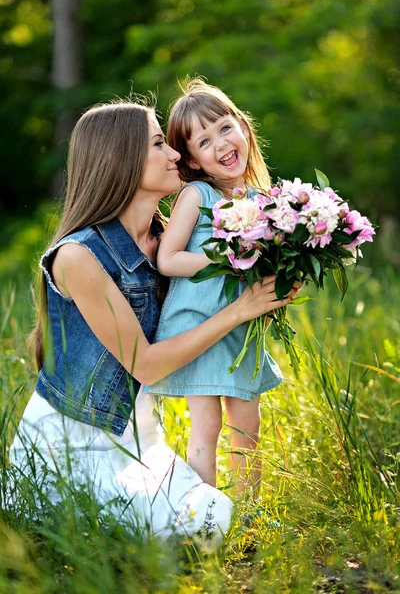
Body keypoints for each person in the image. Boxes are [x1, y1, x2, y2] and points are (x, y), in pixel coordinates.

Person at [8, 98, 296, 543]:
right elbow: (145, 365)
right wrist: (241, 309)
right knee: (201, 525)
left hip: (142, 443)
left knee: (213, 514)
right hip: (72, 451)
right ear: (119, 160)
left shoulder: (167, 242)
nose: (177, 154)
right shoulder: (79, 256)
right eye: (160, 143)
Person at [142, 78, 300, 497]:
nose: (220, 144)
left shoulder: (262, 201)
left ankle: (249, 519)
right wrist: (228, 256)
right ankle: (203, 516)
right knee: (207, 424)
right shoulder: (197, 195)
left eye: (225, 128)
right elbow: (168, 260)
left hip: (240, 329)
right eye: (204, 141)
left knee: (248, 424)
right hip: (196, 324)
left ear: (243, 127)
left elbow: (263, 270)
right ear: (192, 159)